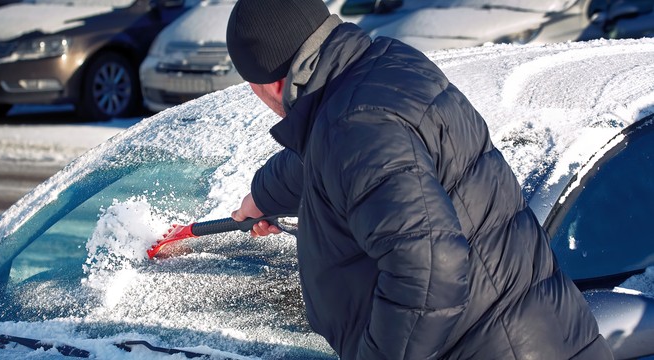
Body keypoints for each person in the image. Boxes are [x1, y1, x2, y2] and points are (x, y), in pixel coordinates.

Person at [226, 0, 614, 359]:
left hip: (493, 347)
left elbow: (429, 272)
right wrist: (261, 197)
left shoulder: (354, 126)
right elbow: (329, 156)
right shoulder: (382, 68)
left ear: (271, 85)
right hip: (537, 335)